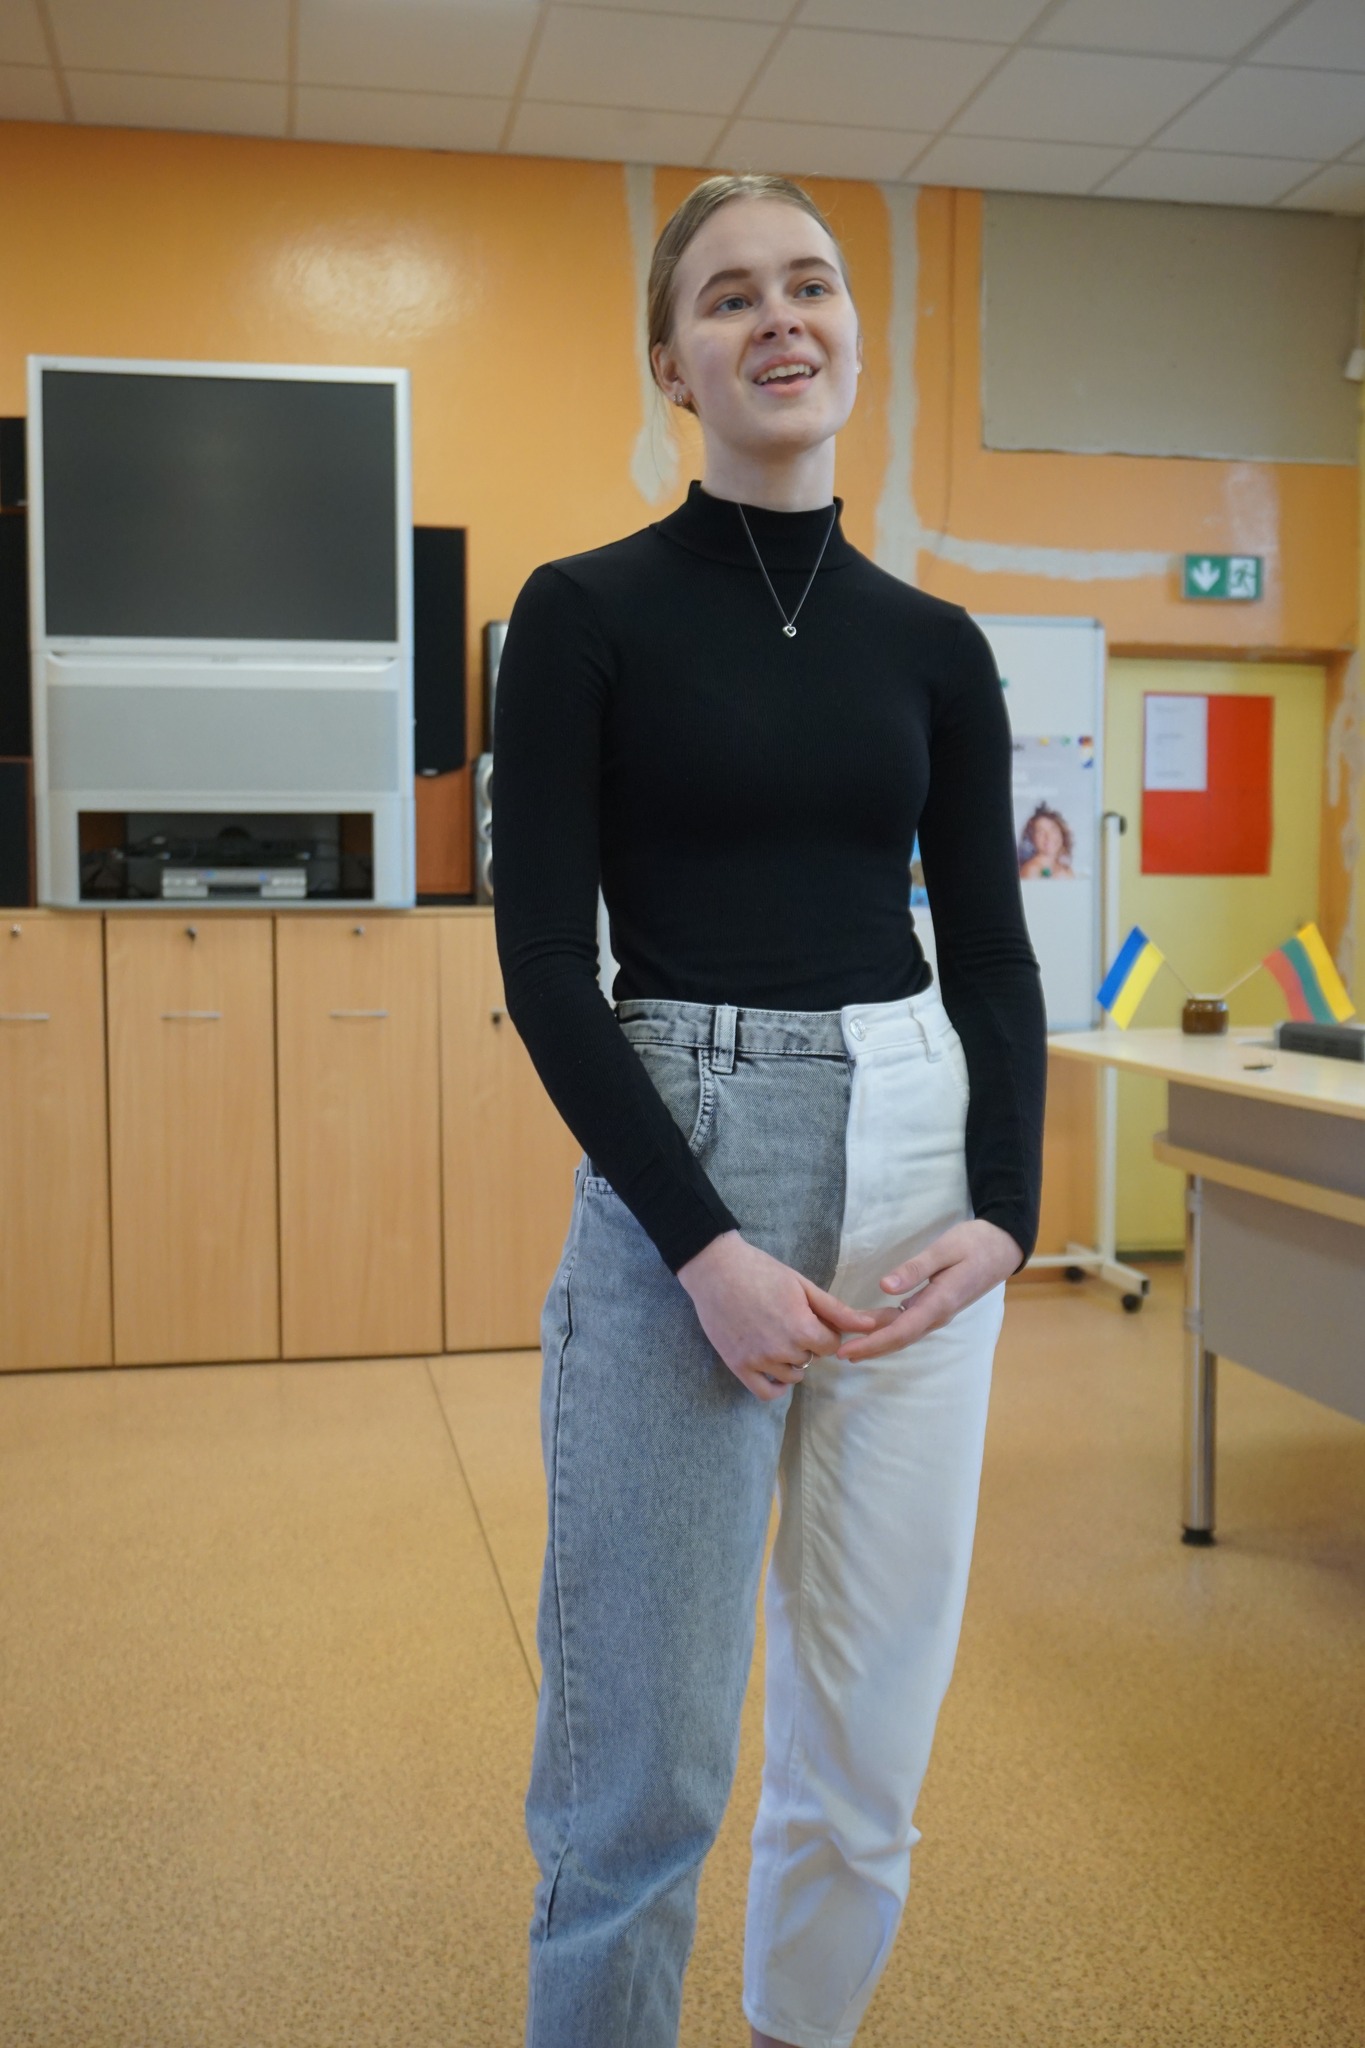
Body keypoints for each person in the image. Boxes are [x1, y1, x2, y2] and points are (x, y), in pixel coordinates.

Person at [493, 172, 1047, 2048]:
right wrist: (702, 1250)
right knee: (640, 1777)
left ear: (853, 337)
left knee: (868, 1754)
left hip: (914, 1156)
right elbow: (546, 971)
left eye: (809, 284)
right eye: (728, 297)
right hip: (692, 1156)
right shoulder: (582, 614)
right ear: (673, 364)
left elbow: (991, 955)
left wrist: (1005, 1210)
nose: (779, 318)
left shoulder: (934, 645)